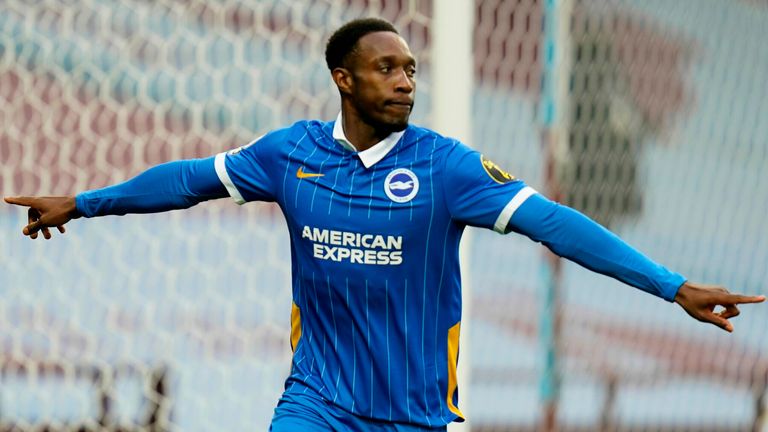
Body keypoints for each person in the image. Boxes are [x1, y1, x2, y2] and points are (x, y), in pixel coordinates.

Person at [4, 18, 764, 432]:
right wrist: (83, 200)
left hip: (414, 416)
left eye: (410, 70)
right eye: (387, 69)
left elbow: (557, 225)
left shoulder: (448, 168)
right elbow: (188, 181)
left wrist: (673, 288)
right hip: (316, 402)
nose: (405, 81)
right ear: (344, 78)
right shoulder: (289, 154)